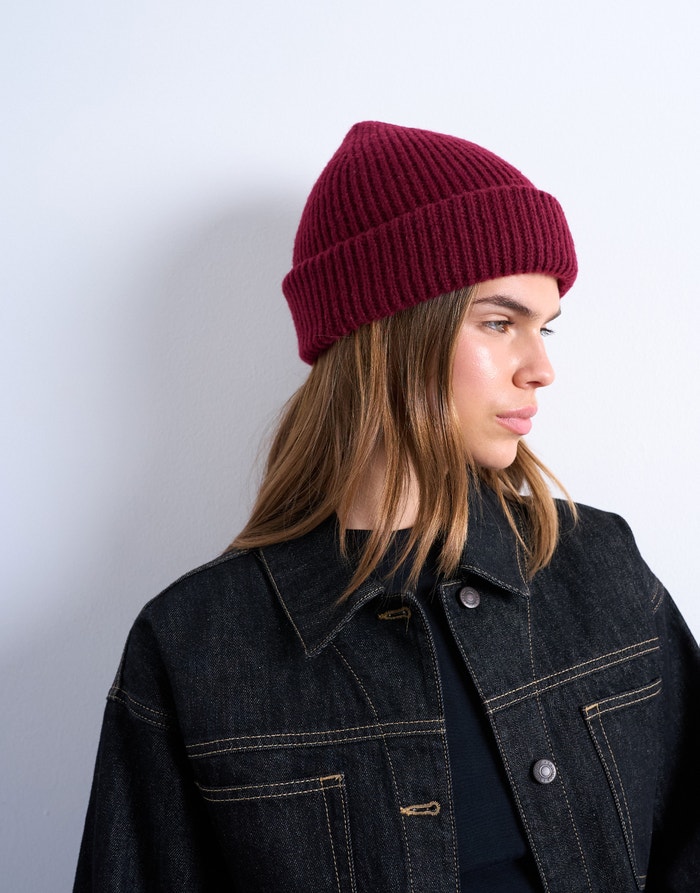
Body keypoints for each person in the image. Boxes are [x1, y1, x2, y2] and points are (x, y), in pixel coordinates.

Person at [74, 121, 700, 892]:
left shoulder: (598, 565)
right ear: (391, 332)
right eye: (499, 322)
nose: (541, 367)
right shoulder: (196, 645)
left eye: (545, 328)